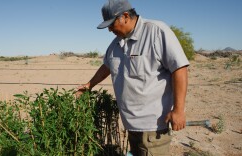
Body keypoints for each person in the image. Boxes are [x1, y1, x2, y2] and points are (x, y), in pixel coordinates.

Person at [76, 0, 189, 155]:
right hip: (130, 125)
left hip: (153, 127)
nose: (109, 30)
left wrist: (178, 110)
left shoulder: (156, 32)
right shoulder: (116, 43)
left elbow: (179, 69)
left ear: (125, 16)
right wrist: (89, 85)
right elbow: (107, 66)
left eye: (111, 24)